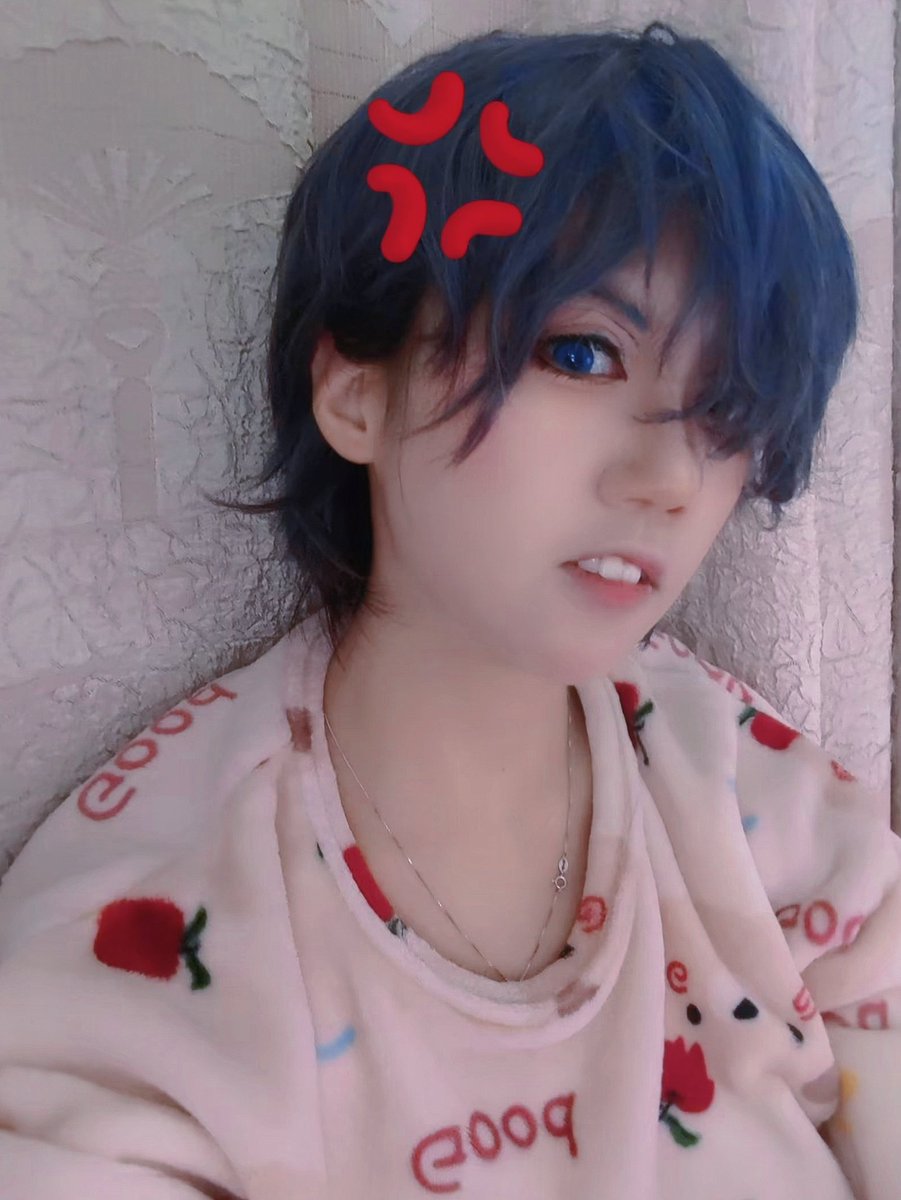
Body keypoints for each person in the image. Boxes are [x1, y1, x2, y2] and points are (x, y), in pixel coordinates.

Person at [0, 18, 897, 1200]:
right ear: (354, 392)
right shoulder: (145, 939)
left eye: (727, 409)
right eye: (582, 355)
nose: (673, 477)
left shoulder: (755, 799)